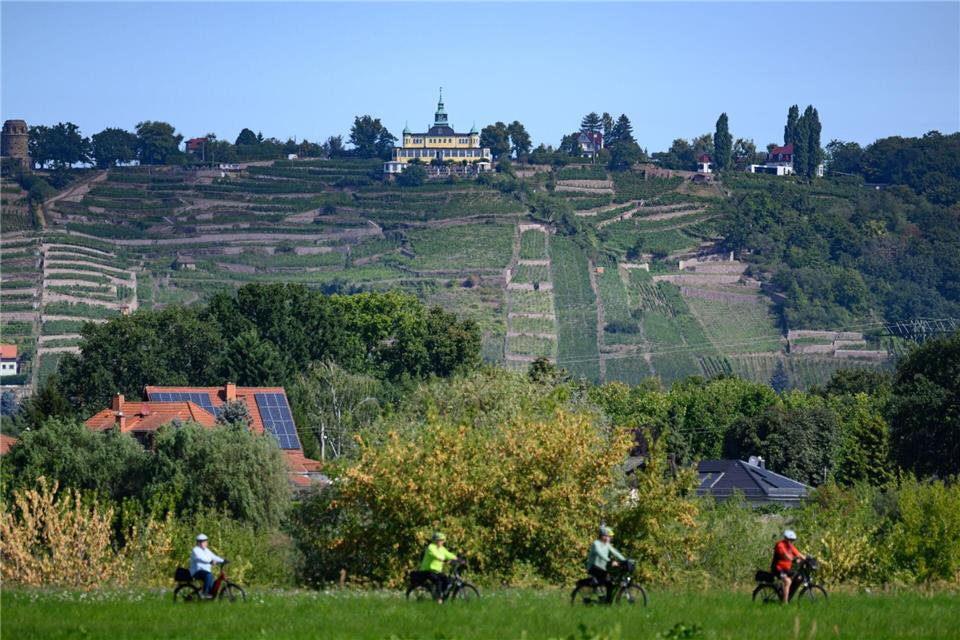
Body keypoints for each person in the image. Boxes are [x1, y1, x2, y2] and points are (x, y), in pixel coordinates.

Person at [585, 525, 625, 603]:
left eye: (609, 537)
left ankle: (606, 601)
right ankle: (605, 601)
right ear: (602, 536)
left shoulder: (607, 545)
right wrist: (610, 561)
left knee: (610, 584)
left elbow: (615, 552)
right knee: (608, 583)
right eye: (606, 536)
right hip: (593, 568)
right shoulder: (596, 544)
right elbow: (600, 553)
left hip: (601, 568)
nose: (608, 538)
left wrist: (625, 560)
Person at [419, 531, 458, 603]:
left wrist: (456, 558)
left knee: (447, 580)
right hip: (428, 570)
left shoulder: (442, 548)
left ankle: (441, 595)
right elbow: (434, 554)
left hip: (437, 571)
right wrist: (440, 558)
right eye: (439, 540)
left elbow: (448, 554)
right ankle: (438, 599)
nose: (441, 542)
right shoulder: (431, 547)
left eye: (442, 540)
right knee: (438, 580)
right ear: (435, 540)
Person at [771, 529, 806, 604]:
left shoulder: (790, 546)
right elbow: (785, 556)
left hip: (786, 569)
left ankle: (787, 594)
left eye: (793, 540)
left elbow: (798, 554)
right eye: (790, 540)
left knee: (799, 577)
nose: (792, 542)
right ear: (786, 538)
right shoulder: (780, 545)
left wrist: (807, 559)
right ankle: (785, 603)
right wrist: (794, 559)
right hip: (778, 569)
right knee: (788, 581)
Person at [190, 533, 225, 598]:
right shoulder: (195, 550)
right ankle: (205, 593)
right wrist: (210, 561)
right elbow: (201, 559)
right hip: (196, 572)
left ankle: (210, 595)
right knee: (209, 576)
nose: (206, 543)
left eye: (206, 541)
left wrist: (222, 560)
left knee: (211, 578)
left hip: (205, 571)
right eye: (204, 542)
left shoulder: (206, 550)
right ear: (199, 542)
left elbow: (213, 556)